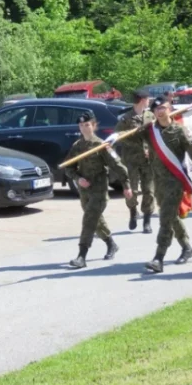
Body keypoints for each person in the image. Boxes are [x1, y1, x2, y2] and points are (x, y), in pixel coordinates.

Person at [144, 96, 192, 273]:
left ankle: (159, 258)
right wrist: (115, 137)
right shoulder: (150, 131)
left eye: (163, 108)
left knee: (165, 219)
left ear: (170, 108)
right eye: (156, 109)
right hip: (158, 182)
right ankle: (187, 247)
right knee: (171, 217)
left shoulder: (180, 131)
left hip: (175, 182)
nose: (160, 111)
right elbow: (129, 137)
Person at [65, 111, 131, 269]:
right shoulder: (77, 146)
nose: (84, 128)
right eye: (81, 126)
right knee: (95, 220)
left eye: (87, 125)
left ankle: (81, 256)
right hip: (84, 191)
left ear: (94, 126)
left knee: (89, 219)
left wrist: (126, 185)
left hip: (99, 190)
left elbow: (118, 165)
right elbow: (68, 167)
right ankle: (111, 243)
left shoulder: (101, 145)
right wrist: (77, 178)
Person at [113, 89, 155, 232]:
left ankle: (147, 221)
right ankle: (133, 213)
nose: (149, 101)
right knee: (132, 191)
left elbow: (157, 135)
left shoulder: (150, 116)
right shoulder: (126, 118)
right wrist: (132, 133)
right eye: (148, 99)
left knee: (149, 191)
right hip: (131, 160)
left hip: (148, 160)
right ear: (143, 100)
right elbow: (116, 135)